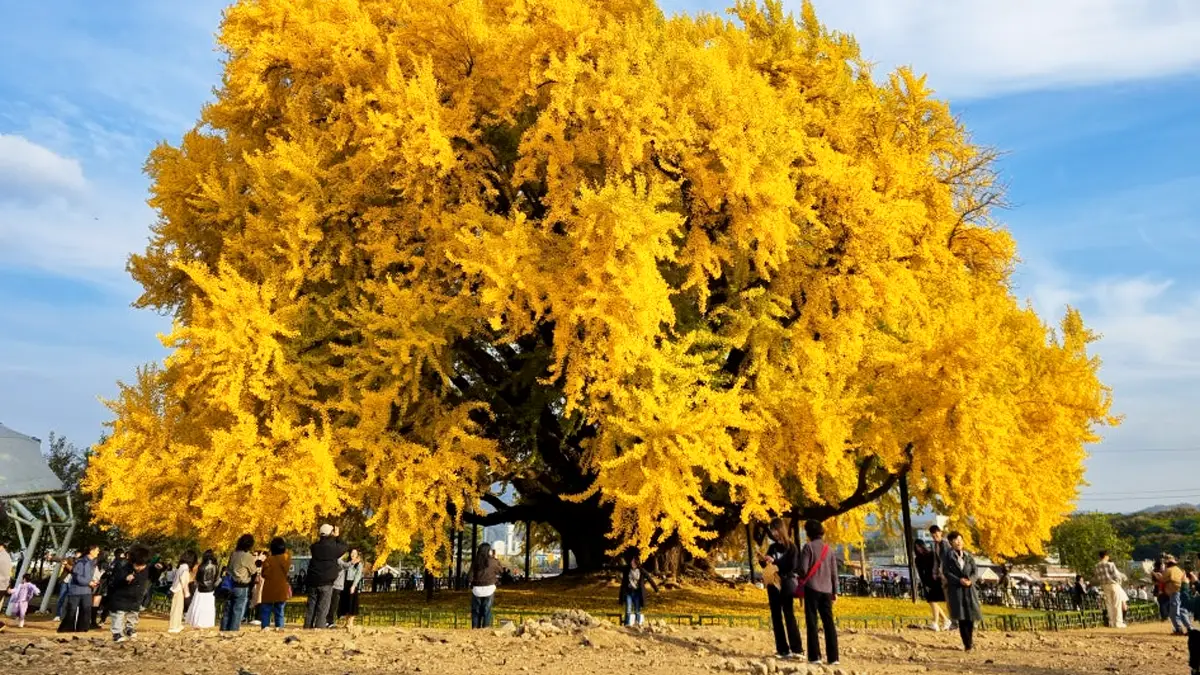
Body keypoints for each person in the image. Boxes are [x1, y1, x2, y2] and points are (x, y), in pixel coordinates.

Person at [759, 518, 802, 659]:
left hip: (787, 582)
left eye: (774, 529)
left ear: (780, 529)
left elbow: (793, 566)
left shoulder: (792, 548)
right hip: (773, 583)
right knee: (776, 615)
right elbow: (768, 567)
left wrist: (776, 562)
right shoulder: (772, 548)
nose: (773, 533)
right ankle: (782, 649)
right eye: (771, 530)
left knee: (788, 614)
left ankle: (797, 649)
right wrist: (763, 561)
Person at [798, 520, 839, 666]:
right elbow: (834, 573)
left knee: (812, 622)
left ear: (808, 533)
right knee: (829, 623)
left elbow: (803, 569)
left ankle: (815, 657)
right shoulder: (830, 550)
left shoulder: (808, 547)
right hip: (827, 590)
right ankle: (834, 658)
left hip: (812, 588)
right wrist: (836, 591)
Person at [941, 531, 982, 651]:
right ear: (951, 543)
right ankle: (967, 644)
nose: (958, 542)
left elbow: (975, 571)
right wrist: (959, 581)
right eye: (955, 540)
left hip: (970, 590)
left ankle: (970, 641)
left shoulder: (968, 556)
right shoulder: (948, 557)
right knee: (962, 617)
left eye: (960, 539)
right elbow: (946, 573)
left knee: (970, 616)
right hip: (957, 590)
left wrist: (971, 581)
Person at [304, 524, 347, 629]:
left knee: (311, 605)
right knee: (323, 607)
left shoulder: (314, 547)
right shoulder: (333, 547)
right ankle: (319, 627)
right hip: (326, 581)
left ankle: (307, 626)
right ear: (330, 533)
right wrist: (337, 537)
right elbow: (345, 547)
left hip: (313, 579)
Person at [107, 546, 151, 643]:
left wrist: (160, 567)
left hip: (136, 597)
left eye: (142, 565)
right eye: (137, 565)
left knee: (133, 614)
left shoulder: (146, 569)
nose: (139, 568)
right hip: (121, 597)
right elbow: (115, 580)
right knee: (119, 614)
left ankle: (129, 629)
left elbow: (154, 573)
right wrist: (125, 578)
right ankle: (117, 633)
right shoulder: (123, 567)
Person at [220, 534, 257, 631]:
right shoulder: (247, 556)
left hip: (230, 584)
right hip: (241, 586)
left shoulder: (234, 554)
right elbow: (253, 571)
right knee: (237, 610)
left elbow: (228, 568)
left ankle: (224, 629)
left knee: (227, 609)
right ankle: (233, 630)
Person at [59, 545, 100, 633]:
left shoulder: (93, 562)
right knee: (72, 611)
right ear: (91, 551)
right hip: (76, 591)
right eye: (97, 550)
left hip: (87, 591)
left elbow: (88, 576)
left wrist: (94, 581)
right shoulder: (81, 562)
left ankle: (83, 629)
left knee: (86, 610)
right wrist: (89, 582)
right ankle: (66, 629)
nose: (98, 552)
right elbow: (77, 577)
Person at [913, 539, 950, 630]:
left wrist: (936, 577)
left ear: (923, 546)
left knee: (932, 600)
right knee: (932, 601)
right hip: (927, 581)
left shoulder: (932, 554)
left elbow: (937, 566)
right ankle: (945, 620)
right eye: (917, 548)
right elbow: (920, 572)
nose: (919, 549)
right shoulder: (917, 559)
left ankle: (936, 623)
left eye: (920, 547)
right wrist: (924, 583)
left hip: (936, 580)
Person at [259, 537, 292, 630]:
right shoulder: (286, 559)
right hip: (281, 588)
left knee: (266, 609)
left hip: (269, 588)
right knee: (280, 610)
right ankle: (279, 626)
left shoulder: (268, 560)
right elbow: (288, 554)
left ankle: (265, 626)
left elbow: (263, 573)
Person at [469, 543, 503, 629]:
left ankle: (475, 628)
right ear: (488, 551)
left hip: (476, 589)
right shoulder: (492, 561)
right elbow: (501, 570)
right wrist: (496, 559)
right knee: (487, 610)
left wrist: (471, 584)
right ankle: (486, 627)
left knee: (476, 611)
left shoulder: (476, 561)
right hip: (489, 588)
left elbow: (470, 576)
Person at [619, 554, 659, 627]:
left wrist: (656, 589)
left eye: (634, 562)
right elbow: (617, 568)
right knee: (628, 610)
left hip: (637, 593)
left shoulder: (641, 570)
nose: (632, 563)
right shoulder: (627, 569)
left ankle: (637, 625)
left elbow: (649, 578)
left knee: (637, 610)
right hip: (629, 592)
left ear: (637, 563)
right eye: (631, 562)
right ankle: (627, 624)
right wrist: (605, 566)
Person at [1092, 550, 1126, 629]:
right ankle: (1118, 622)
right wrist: (1121, 579)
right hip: (1113, 584)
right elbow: (1116, 575)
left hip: (1104, 585)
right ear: (1106, 556)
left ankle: (1111, 622)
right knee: (1116, 604)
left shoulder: (1097, 566)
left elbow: (1097, 577)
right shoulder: (1110, 564)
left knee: (1109, 604)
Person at [928, 526, 953, 631]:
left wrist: (945, 573)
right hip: (941, 576)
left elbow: (947, 560)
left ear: (941, 533)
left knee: (950, 599)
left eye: (936, 534)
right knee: (946, 599)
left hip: (948, 575)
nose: (935, 537)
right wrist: (934, 573)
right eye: (933, 535)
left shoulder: (946, 545)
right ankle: (948, 621)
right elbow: (936, 561)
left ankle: (952, 621)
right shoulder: (934, 545)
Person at [187, 550, 220, 629]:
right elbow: (216, 579)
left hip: (201, 589)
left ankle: (197, 622)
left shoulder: (201, 566)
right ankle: (207, 623)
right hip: (210, 590)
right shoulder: (215, 566)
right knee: (208, 607)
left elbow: (197, 579)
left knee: (199, 606)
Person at [1160, 555, 1192, 635]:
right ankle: (1189, 628)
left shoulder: (1169, 570)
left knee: (1174, 612)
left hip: (1175, 592)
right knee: (1182, 611)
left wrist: (1157, 575)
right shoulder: (1178, 569)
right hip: (1182, 591)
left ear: (1167, 563)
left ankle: (1178, 629)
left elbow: (1162, 579)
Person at [168, 550, 196, 634]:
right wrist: (187, 593)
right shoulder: (185, 568)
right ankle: (173, 627)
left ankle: (177, 624)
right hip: (178, 590)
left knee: (178, 608)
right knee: (177, 608)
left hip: (175, 589)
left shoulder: (181, 566)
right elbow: (184, 581)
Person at [336, 549, 365, 628]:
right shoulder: (347, 563)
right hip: (345, 584)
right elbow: (338, 561)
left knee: (352, 604)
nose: (353, 554)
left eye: (354, 553)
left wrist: (353, 585)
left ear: (357, 555)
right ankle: (346, 622)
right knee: (345, 603)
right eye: (351, 552)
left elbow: (358, 575)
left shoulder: (359, 564)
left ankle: (351, 622)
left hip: (352, 584)